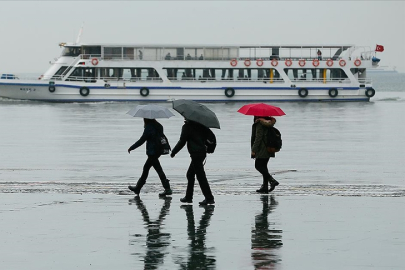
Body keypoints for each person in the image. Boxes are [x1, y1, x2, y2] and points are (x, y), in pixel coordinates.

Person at [170, 120, 215, 205]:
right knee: (190, 174)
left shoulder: (187, 127)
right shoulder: (201, 125)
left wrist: (174, 151)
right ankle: (188, 197)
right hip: (202, 153)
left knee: (200, 176)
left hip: (195, 154)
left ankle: (209, 198)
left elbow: (182, 141)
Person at [127, 118, 172, 197]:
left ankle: (167, 189)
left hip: (152, 152)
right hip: (158, 150)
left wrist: (132, 147)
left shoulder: (149, 128)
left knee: (149, 169)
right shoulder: (159, 126)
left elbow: (142, 140)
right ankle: (138, 188)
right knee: (153, 169)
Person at [251, 116, 279, 193]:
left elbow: (258, 138)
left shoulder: (259, 124)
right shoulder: (269, 123)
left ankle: (272, 180)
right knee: (264, 167)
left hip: (261, 149)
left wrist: (254, 149)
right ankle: (265, 187)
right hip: (269, 148)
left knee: (258, 166)